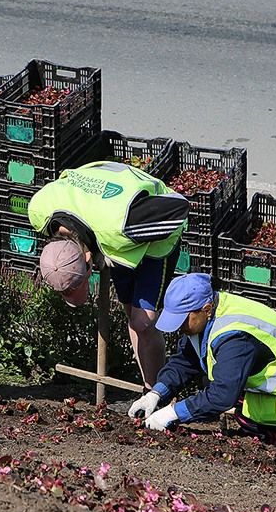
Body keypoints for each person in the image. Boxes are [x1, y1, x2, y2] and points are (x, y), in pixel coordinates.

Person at [27, 161, 189, 389]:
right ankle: (148, 385)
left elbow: (179, 207)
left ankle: (156, 391)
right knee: (132, 316)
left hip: (146, 236)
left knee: (143, 322)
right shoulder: (39, 212)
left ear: (88, 260)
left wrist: (132, 234)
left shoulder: (119, 228)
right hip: (109, 231)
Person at [129, 273, 276, 449]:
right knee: (230, 390)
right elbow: (185, 361)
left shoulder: (234, 337)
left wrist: (174, 413)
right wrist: (156, 394)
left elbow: (221, 397)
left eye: (183, 320)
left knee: (242, 408)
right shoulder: (207, 315)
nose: (179, 327)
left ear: (207, 309)